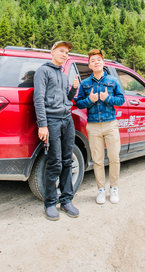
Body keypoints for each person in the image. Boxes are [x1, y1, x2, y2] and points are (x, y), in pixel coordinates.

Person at [33, 41, 80, 220]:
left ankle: (67, 200)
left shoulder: (64, 74)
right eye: (61, 51)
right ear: (52, 52)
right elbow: (38, 99)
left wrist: (73, 89)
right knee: (55, 162)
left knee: (68, 161)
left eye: (67, 53)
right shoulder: (42, 71)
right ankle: (50, 203)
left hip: (67, 119)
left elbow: (66, 99)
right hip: (52, 121)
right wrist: (42, 125)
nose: (64, 55)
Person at [74, 49, 125, 204]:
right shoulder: (85, 84)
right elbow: (79, 103)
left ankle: (114, 188)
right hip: (93, 126)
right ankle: (101, 190)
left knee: (114, 158)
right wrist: (90, 100)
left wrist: (107, 98)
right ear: (89, 65)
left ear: (103, 63)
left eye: (98, 60)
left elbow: (121, 100)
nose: (96, 62)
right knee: (98, 160)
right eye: (93, 60)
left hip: (110, 124)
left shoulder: (113, 81)